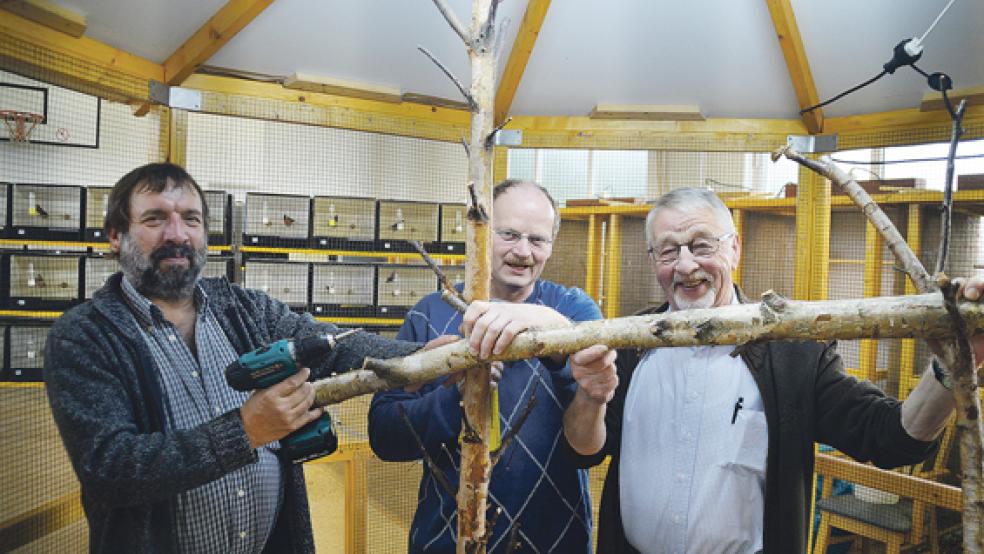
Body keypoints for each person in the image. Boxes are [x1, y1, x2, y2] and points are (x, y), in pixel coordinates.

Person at [561, 187, 984, 553]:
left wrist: (951, 370)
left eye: (702, 245)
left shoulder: (793, 353)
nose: (686, 266)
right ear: (654, 260)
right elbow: (586, 450)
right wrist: (590, 396)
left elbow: (890, 437)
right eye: (669, 251)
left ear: (735, 248)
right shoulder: (633, 345)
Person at [43, 163, 421, 553]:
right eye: (155, 219)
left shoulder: (244, 309)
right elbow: (111, 469)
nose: (177, 234)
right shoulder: (84, 335)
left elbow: (335, 344)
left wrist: (422, 358)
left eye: (191, 219)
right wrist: (244, 431)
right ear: (115, 237)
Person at [369, 179, 603, 553]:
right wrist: (455, 399)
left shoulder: (574, 310)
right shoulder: (431, 314)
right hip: (448, 538)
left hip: (554, 540)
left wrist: (542, 322)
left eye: (538, 240)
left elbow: (594, 431)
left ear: (551, 245)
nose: (523, 251)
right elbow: (384, 435)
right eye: (508, 235)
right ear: (480, 234)